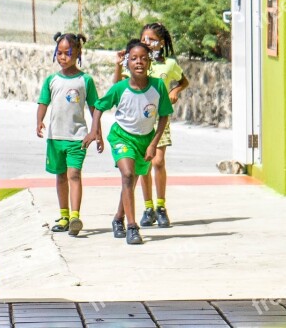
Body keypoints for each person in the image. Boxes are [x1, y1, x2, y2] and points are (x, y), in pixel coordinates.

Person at [84, 39, 173, 245]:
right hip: (122, 137)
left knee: (131, 181)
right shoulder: (120, 88)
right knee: (127, 175)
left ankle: (118, 218)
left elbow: (164, 117)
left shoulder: (158, 86)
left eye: (143, 58)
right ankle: (132, 227)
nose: (139, 62)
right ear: (127, 63)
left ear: (149, 62)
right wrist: (94, 131)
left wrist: (153, 144)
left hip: (145, 140)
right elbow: (99, 106)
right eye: (133, 58)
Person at [113, 22, 189, 228]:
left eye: (152, 39)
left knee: (158, 161)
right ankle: (148, 207)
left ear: (161, 43)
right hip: (139, 120)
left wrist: (175, 91)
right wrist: (119, 64)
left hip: (159, 118)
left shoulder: (169, 64)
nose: (147, 42)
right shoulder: (139, 61)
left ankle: (161, 206)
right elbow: (119, 83)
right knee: (144, 164)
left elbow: (184, 81)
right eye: (144, 38)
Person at [36, 32, 98, 237]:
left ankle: (75, 217)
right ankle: (63, 216)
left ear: (78, 52)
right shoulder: (52, 80)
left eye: (67, 53)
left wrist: (96, 132)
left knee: (74, 174)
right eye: (59, 53)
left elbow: (94, 108)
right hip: (55, 138)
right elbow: (43, 103)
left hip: (77, 138)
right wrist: (39, 121)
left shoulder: (85, 80)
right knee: (60, 176)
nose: (63, 57)